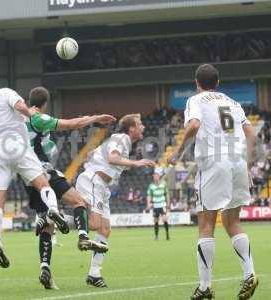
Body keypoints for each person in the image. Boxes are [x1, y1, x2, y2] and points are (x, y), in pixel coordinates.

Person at [169, 64, 258, 300]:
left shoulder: (196, 100)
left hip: (213, 163)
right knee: (232, 220)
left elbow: (195, 125)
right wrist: (247, 166)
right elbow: (251, 134)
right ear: (217, 83)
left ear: (196, 82)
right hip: (238, 162)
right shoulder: (233, 102)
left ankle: (205, 287)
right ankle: (249, 273)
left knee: (206, 224)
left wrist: (178, 151)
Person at [0, 71, 66, 269]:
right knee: (43, 184)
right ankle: (54, 210)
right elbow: (21, 107)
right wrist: (32, 113)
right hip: (17, 145)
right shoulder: (5, 92)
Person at [25, 86, 115, 289]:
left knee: (47, 225)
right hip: (42, 170)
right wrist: (95, 118)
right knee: (78, 202)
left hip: (26, 177)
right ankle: (83, 237)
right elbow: (69, 124)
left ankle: (45, 267)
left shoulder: (18, 119)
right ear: (45, 103)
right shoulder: (38, 117)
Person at [75, 114, 155, 288]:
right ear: (131, 128)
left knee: (105, 229)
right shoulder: (122, 138)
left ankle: (94, 274)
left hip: (101, 186)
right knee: (96, 224)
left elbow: (96, 155)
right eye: (140, 124)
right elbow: (112, 158)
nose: (143, 127)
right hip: (94, 181)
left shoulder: (121, 142)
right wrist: (137, 163)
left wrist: (94, 155)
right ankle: (56, 220)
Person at [146, 170, 170, 240]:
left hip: (162, 204)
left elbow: (167, 194)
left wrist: (168, 203)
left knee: (164, 219)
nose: (155, 177)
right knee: (156, 221)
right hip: (155, 205)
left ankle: (167, 234)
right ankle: (156, 236)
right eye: (154, 176)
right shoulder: (151, 186)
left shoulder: (163, 184)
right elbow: (149, 195)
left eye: (156, 176)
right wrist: (148, 204)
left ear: (159, 177)